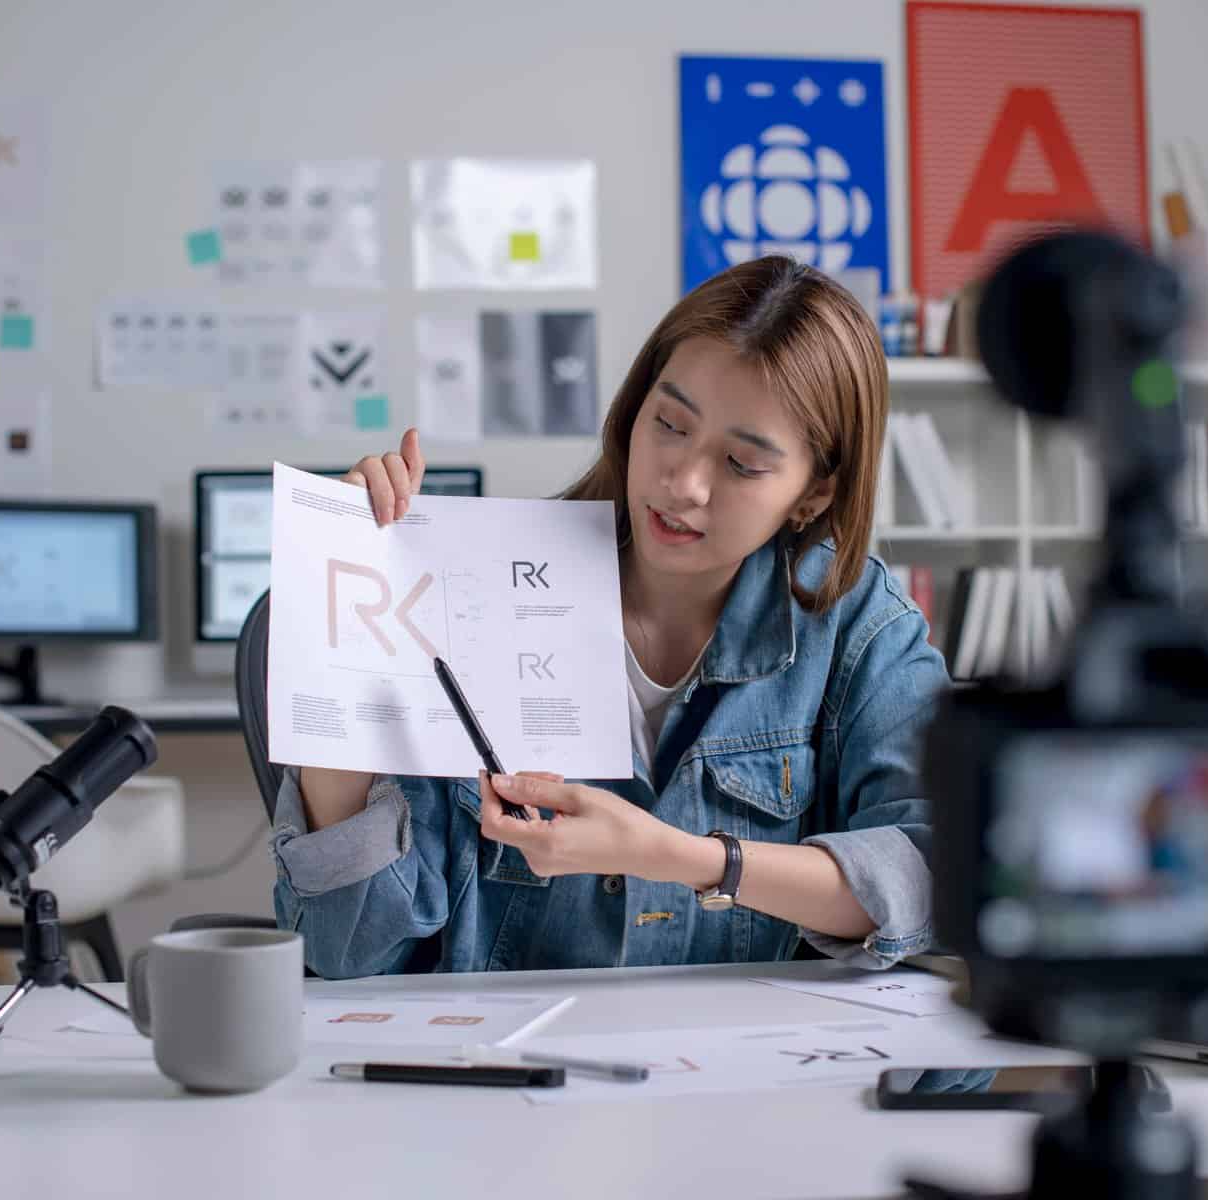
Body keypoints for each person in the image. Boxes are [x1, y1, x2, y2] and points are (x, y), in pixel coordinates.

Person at [270, 256, 948, 977]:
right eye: (669, 423)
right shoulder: (474, 581)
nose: (682, 483)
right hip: (497, 1073)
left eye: (742, 465)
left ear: (814, 494)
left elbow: (934, 873)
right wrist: (338, 653)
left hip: (748, 1071)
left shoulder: (857, 627)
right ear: (633, 410)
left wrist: (678, 857)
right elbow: (344, 955)